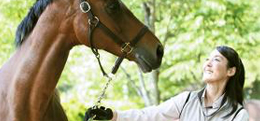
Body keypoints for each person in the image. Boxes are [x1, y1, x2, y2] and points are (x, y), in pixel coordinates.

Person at [85, 45, 249, 121]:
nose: (208, 63)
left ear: (231, 71)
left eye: (216, 59)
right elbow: (150, 115)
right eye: (207, 59)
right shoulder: (186, 101)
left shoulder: (238, 115)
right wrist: (113, 115)